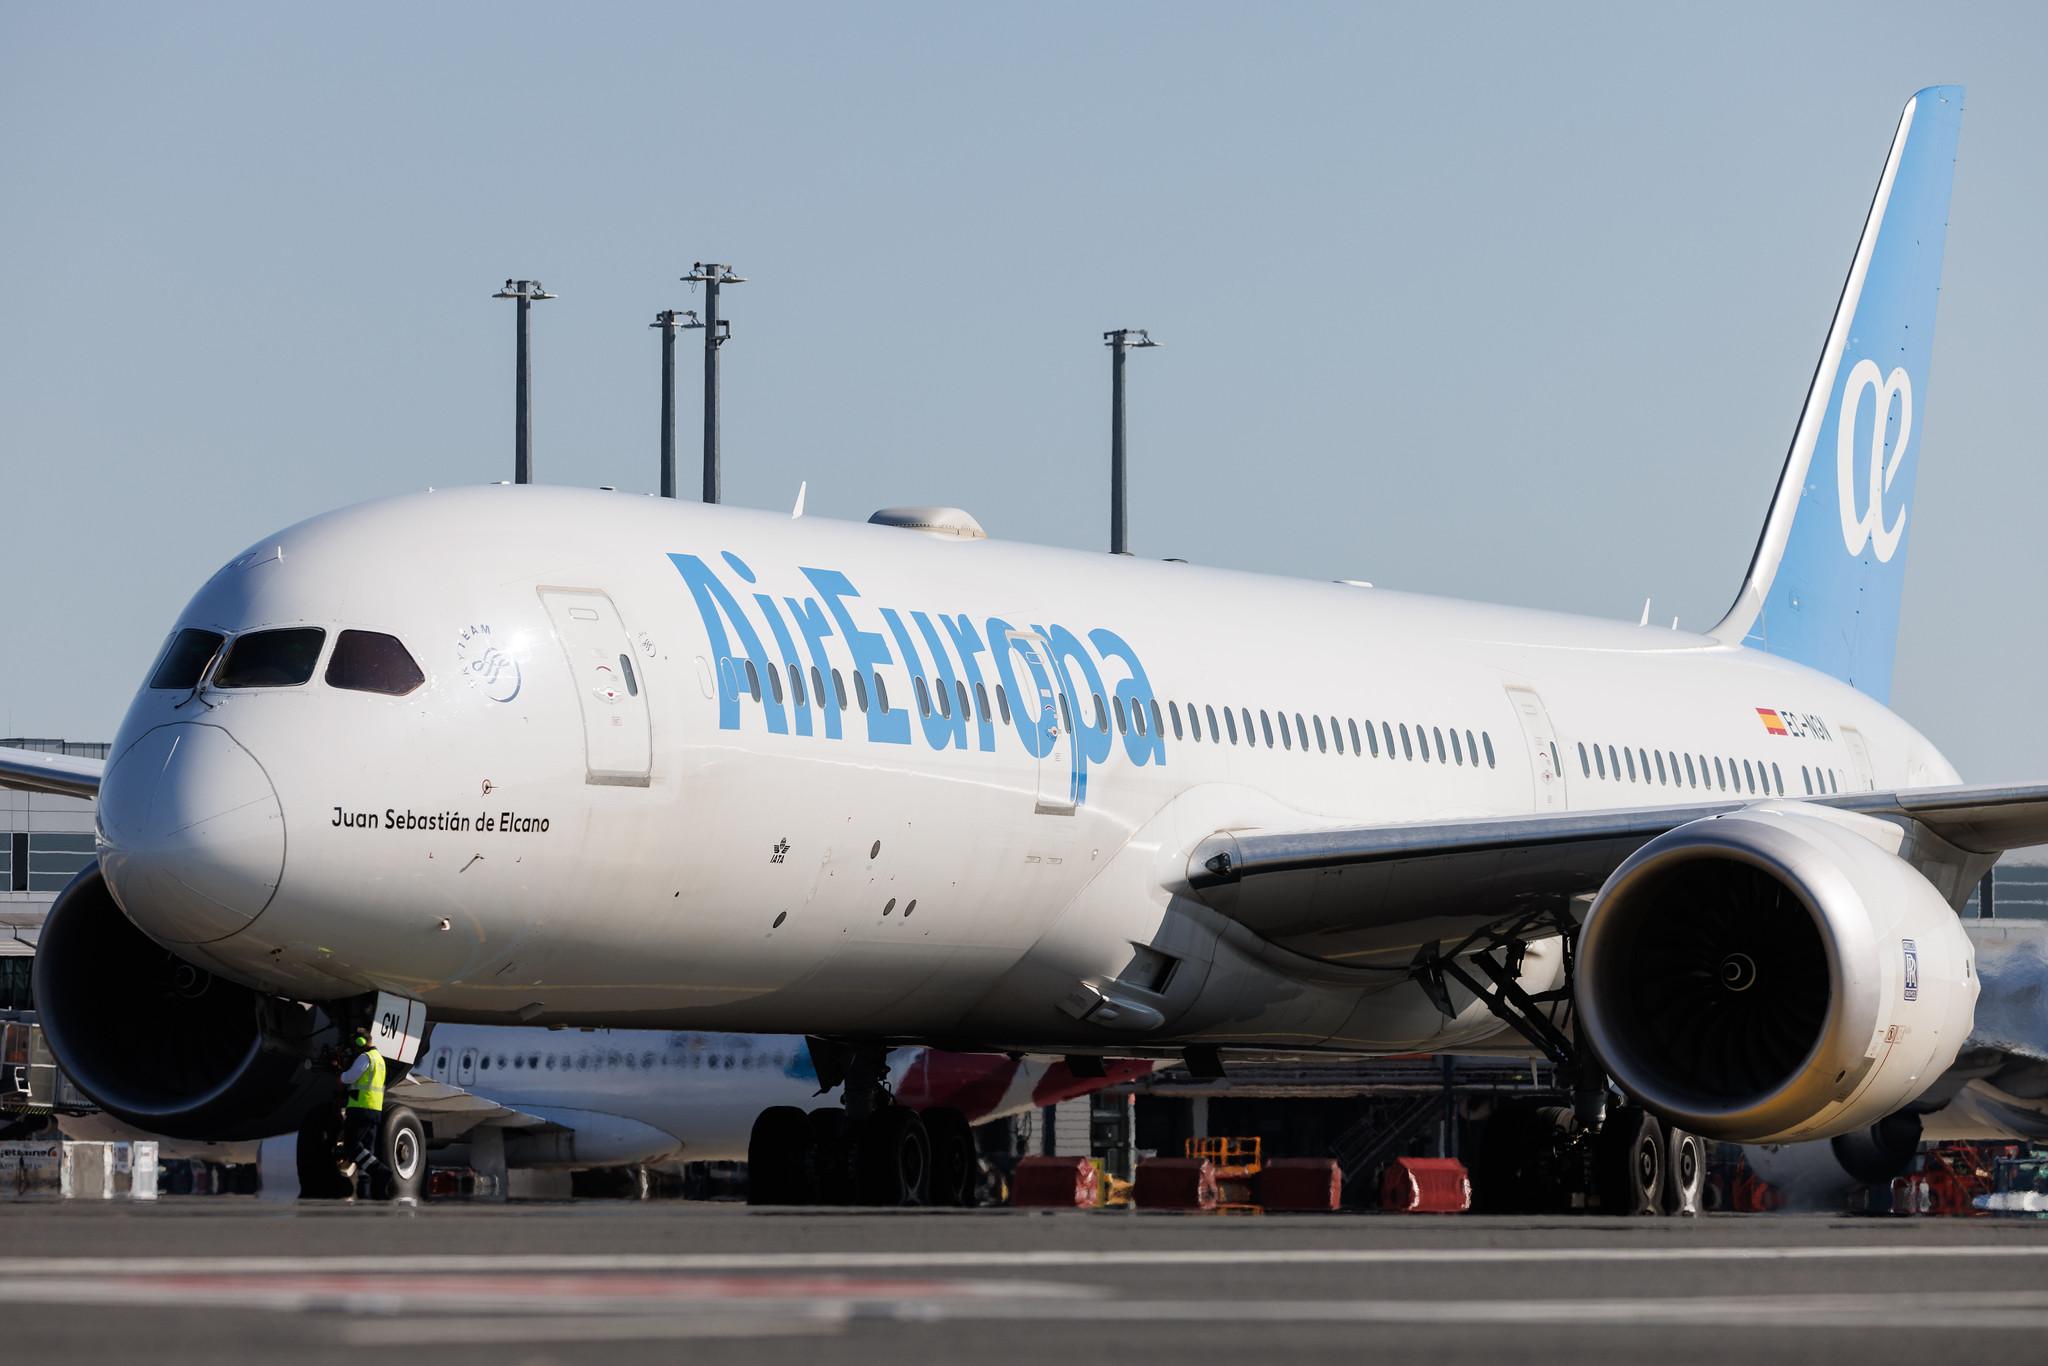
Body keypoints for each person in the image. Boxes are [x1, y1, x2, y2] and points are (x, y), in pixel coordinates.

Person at [337, 1030, 385, 1180]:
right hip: (375, 1109)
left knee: (351, 1144)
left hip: (360, 1108)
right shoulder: (380, 1060)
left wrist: (341, 1075)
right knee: (367, 1148)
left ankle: (380, 1170)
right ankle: (365, 1181)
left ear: (361, 1042)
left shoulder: (366, 1057)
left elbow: (350, 1077)